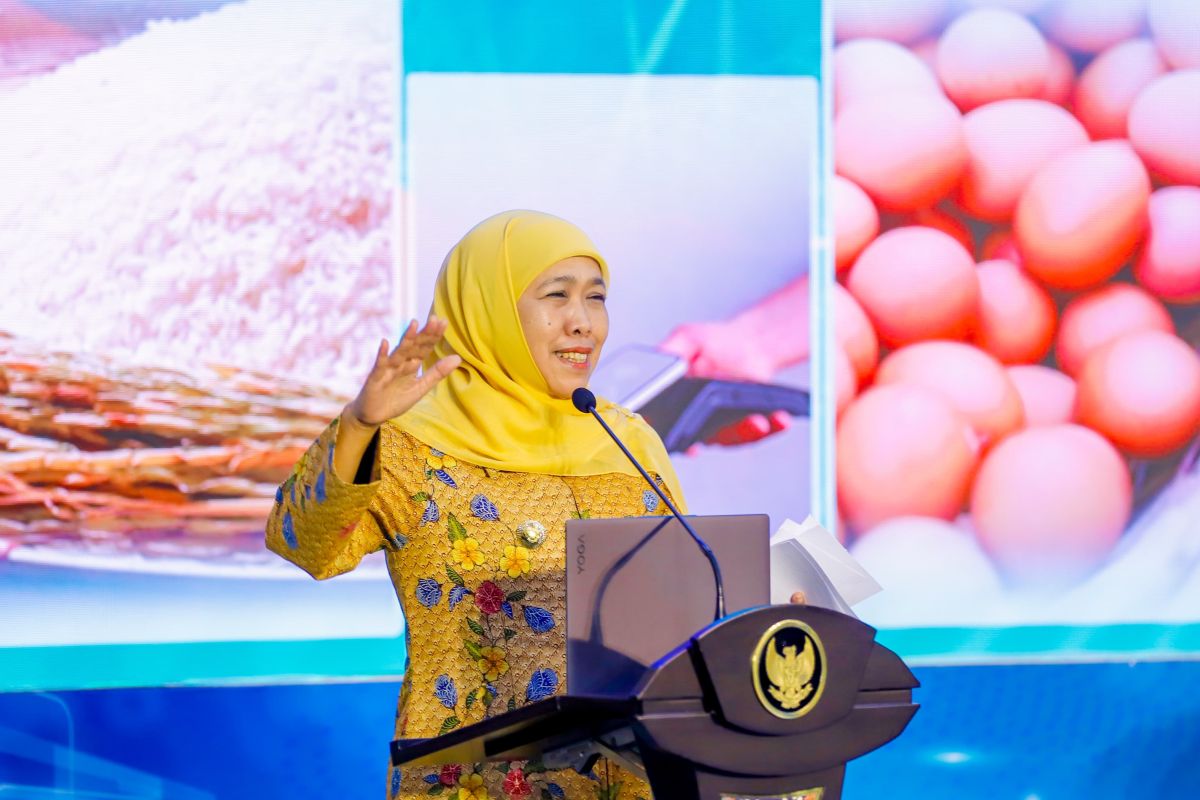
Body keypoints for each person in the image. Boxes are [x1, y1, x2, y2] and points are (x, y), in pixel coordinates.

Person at [266, 210, 688, 799]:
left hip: (633, 779)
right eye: (557, 295)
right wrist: (359, 426)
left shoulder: (626, 439)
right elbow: (304, 542)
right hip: (474, 778)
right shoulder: (412, 443)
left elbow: (683, 600)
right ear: (488, 307)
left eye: (596, 298)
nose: (583, 322)